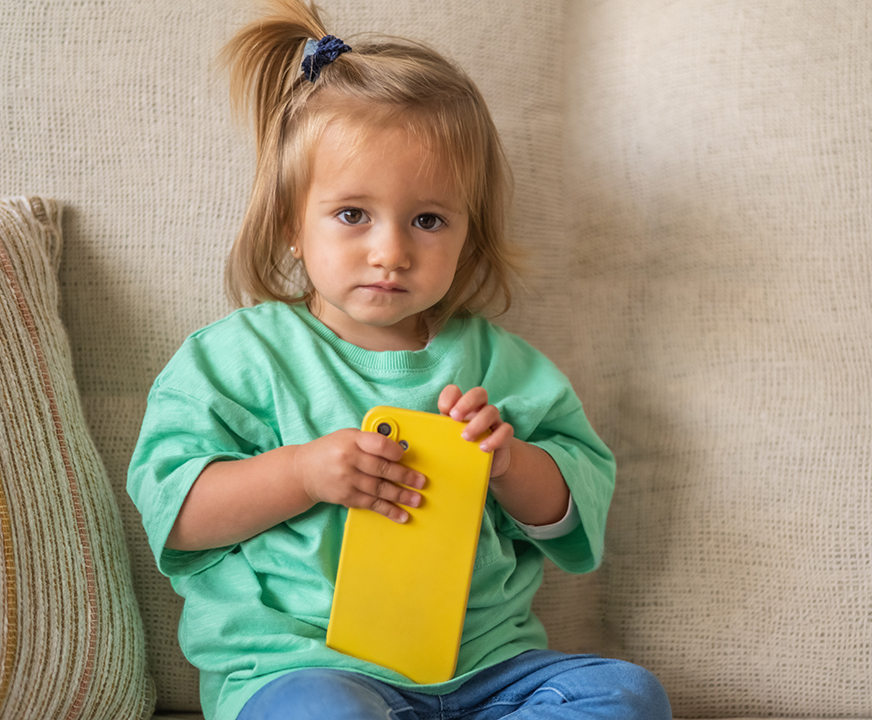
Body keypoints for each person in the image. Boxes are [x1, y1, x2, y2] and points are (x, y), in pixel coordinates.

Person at [126, 1, 672, 719]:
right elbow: (175, 512)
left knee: (627, 695)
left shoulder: (502, 368)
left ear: (467, 236)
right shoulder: (238, 359)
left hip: (486, 673)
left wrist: (509, 466)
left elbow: (574, 516)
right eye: (353, 215)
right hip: (305, 667)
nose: (391, 251)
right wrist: (302, 472)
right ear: (293, 225)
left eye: (427, 220)